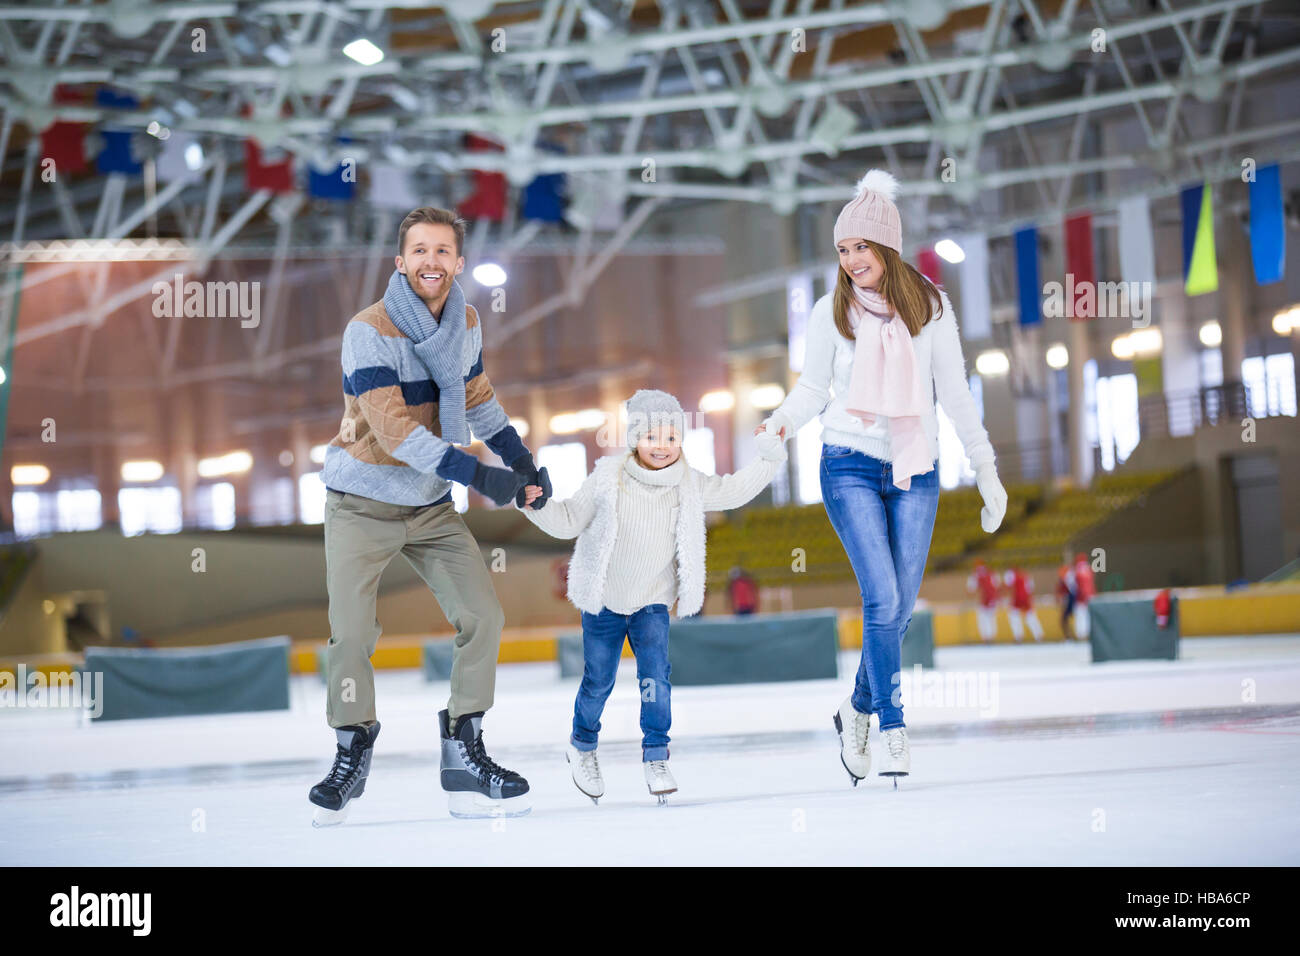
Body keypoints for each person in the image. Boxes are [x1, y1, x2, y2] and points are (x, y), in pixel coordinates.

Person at [757, 169, 1007, 787]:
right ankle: (893, 726)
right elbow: (813, 389)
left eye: (859, 248)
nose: (850, 261)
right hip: (847, 463)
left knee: (897, 609)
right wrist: (781, 423)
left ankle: (856, 709)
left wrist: (987, 469)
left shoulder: (933, 308)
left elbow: (954, 393)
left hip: (915, 466)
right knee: (882, 598)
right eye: (842, 251)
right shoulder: (830, 311)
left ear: (886, 248)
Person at [309, 206, 550, 825]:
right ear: (400, 261)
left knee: (483, 616)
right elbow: (392, 434)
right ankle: (351, 745)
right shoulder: (368, 330)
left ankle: (463, 751)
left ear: (459, 262)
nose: (431, 262)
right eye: (420, 251)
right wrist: (480, 476)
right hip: (361, 503)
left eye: (443, 251)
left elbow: (475, 396)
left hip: (430, 505)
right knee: (354, 634)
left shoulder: (465, 320)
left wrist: (521, 463)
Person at [521, 389, 787, 804]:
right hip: (605, 602)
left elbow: (734, 490)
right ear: (634, 440)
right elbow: (569, 520)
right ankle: (583, 746)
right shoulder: (608, 477)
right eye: (651, 438)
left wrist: (770, 457)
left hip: (652, 604)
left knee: (655, 681)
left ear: (680, 441)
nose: (661, 447)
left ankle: (656, 754)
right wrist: (533, 505)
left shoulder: (690, 483)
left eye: (670, 438)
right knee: (599, 681)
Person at [1004, 565, 1044, 643]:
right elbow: (1030, 589)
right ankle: (1038, 635)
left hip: (1017, 599)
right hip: (1025, 598)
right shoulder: (1026, 575)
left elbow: (1009, 587)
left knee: (1014, 617)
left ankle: (1018, 636)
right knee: (1030, 617)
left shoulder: (1011, 574)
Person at [968, 559, 999, 643]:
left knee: (985, 619)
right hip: (988, 599)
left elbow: (971, 589)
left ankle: (987, 637)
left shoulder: (976, 575)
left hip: (987, 599)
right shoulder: (990, 573)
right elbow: (996, 586)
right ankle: (989, 637)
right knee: (988, 619)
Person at [1072, 551, 1096, 640]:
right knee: (1088, 615)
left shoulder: (1078, 569)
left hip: (1081, 596)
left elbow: (1079, 584)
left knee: (1080, 615)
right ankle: (1089, 633)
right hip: (1090, 595)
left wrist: (1083, 594)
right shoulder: (1089, 569)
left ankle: (1081, 634)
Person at [1057, 560, 1078, 641]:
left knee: (1064, 619)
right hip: (1070, 599)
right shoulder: (1068, 579)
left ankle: (1070, 636)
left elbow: (1064, 592)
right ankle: (1070, 636)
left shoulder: (1067, 579)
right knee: (1065, 619)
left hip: (1070, 599)